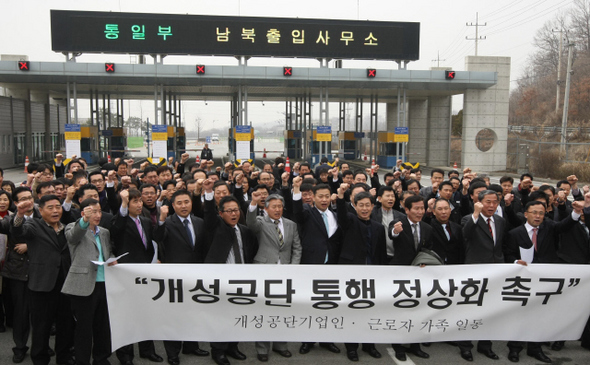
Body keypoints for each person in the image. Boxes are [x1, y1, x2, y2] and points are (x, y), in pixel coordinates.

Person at [504, 200, 583, 363]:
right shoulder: (514, 233)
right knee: (520, 314)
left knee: (540, 315)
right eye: (534, 212)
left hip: (545, 280)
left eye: (541, 213)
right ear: (526, 214)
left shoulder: (549, 228)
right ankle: (514, 348)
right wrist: (515, 262)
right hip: (523, 281)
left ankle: (535, 348)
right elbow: (508, 253)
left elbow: (565, 225)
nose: (538, 216)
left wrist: (576, 212)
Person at [11, 194, 75, 365]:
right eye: (50, 207)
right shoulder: (34, 225)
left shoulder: (67, 227)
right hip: (42, 286)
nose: (55, 211)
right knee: (41, 328)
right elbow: (19, 230)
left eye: (58, 207)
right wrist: (19, 214)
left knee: (66, 326)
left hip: (65, 285)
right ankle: (40, 360)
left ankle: (64, 358)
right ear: (41, 210)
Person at [202, 178, 258, 365]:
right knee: (220, 317)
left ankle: (233, 346)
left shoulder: (244, 231)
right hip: (220, 280)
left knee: (237, 315)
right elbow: (209, 215)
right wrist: (209, 192)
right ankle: (218, 351)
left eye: (236, 210)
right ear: (221, 213)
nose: (233, 214)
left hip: (241, 280)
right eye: (229, 211)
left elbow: (250, 251)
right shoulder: (215, 227)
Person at [154, 189, 209, 365]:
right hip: (175, 277)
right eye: (179, 203)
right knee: (174, 316)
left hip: (196, 276)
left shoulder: (199, 222)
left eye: (187, 202)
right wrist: (161, 218)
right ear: (172, 205)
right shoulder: (167, 222)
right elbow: (157, 237)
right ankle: (173, 352)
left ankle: (191, 345)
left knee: (194, 312)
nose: (184, 206)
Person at [246, 192, 301, 362]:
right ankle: (262, 348)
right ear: (266, 208)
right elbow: (250, 223)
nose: (277, 210)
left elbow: (297, 248)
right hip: (264, 271)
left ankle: (281, 345)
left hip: (285, 272)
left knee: (282, 310)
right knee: (263, 311)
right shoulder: (261, 222)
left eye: (280, 206)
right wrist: (253, 204)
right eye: (274, 206)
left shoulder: (291, 224)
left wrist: (293, 268)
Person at [111, 189, 163, 365]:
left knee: (145, 314)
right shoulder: (120, 221)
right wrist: (124, 204)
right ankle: (125, 356)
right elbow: (116, 230)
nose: (140, 204)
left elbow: (152, 243)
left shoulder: (147, 221)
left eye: (140, 201)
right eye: (135, 201)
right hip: (126, 275)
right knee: (127, 317)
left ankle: (147, 350)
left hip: (145, 274)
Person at [336, 184, 387, 361]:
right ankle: (351, 347)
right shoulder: (349, 221)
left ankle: (369, 345)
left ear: (373, 207)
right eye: (361, 205)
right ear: (355, 206)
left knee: (370, 312)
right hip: (351, 275)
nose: (365, 208)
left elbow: (380, 254)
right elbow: (341, 214)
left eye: (368, 205)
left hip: (371, 276)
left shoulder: (378, 227)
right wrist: (341, 196)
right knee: (352, 312)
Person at [292, 178, 342, 356]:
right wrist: (297, 189)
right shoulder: (308, 213)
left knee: (329, 304)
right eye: (320, 196)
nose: (324, 200)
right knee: (310, 305)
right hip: (311, 265)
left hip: (331, 266)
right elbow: (296, 212)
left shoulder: (335, 214)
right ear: (313, 197)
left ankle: (327, 339)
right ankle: (307, 340)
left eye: (327, 196)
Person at [63, 198, 116, 365]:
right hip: (83, 285)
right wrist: (84, 221)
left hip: (104, 283)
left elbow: (106, 253)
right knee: (84, 328)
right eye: (93, 211)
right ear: (84, 213)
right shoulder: (73, 227)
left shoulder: (104, 232)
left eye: (99, 211)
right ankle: (82, 360)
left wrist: (113, 259)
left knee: (103, 326)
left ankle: (101, 358)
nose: (97, 215)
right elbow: (73, 237)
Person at [459, 189, 507, 361]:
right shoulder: (469, 219)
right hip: (475, 272)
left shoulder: (500, 221)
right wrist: (476, 214)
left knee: (489, 311)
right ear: (478, 202)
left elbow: (500, 245)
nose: (492, 205)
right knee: (470, 311)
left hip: (495, 272)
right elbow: (466, 234)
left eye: (495, 202)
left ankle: (485, 345)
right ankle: (465, 346)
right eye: (488, 201)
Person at [389, 194, 432, 361]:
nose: (420, 212)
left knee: (418, 311)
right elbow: (392, 233)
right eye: (416, 208)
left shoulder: (427, 228)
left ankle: (415, 345)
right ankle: (398, 346)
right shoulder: (398, 224)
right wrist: (395, 231)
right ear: (406, 209)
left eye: (422, 208)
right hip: (401, 276)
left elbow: (428, 250)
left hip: (420, 276)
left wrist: (425, 263)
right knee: (400, 311)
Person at [0, 189, 33, 363]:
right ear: (15, 203)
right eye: (22, 200)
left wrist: (29, 246)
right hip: (18, 272)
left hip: (41, 272)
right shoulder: (10, 219)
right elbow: (15, 228)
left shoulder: (44, 215)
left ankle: (43, 346)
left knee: (43, 315)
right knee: (20, 314)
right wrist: (19, 214)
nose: (27, 202)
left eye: (29, 198)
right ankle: (19, 347)